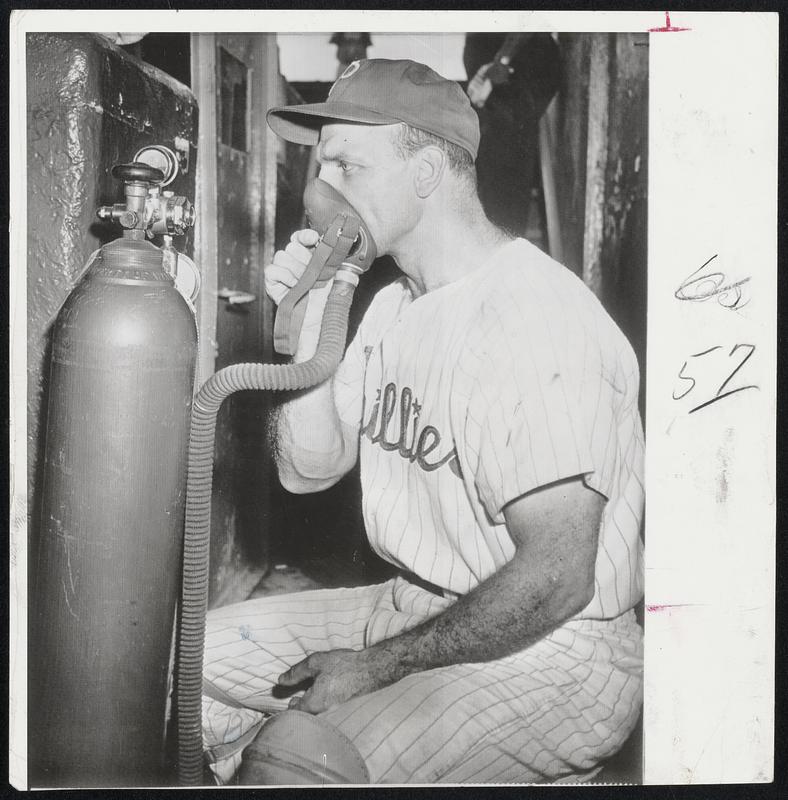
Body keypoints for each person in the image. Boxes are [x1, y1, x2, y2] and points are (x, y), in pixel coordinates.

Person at [201, 58, 644, 785]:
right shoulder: (389, 306)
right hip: (418, 604)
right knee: (182, 666)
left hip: (558, 646)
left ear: (427, 172)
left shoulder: (536, 317)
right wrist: (310, 333)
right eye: (321, 165)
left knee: (298, 763)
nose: (322, 191)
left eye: (347, 163)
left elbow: (559, 577)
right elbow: (307, 470)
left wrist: (377, 669)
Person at [463, 33, 561, 237]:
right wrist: (487, 77)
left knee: (506, 208)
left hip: (515, 104)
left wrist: (498, 70)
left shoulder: (539, 45)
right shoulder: (479, 39)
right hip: (494, 112)